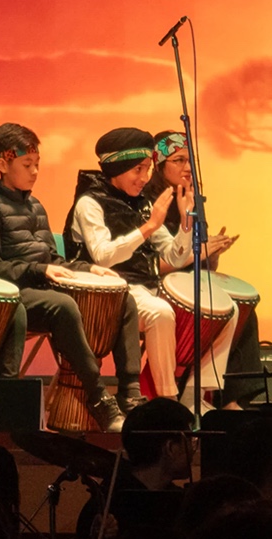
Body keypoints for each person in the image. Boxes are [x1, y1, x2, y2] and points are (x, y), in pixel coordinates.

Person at [0, 122, 142, 432]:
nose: (34, 171)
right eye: (26, 164)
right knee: (63, 306)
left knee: (123, 300)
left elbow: (53, 259)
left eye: (37, 164)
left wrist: (87, 269)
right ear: (2, 164)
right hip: (13, 294)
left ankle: (131, 394)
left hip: (42, 287)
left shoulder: (36, 206)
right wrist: (38, 270)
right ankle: (100, 398)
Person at [63, 127, 236, 408]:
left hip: (146, 288)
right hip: (107, 290)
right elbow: (104, 256)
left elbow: (174, 256)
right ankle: (167, 401)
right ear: (118, 168)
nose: (145, 178)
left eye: (147, 170)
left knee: (225, 308)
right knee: (160, 313)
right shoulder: (89, 203)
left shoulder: (142, 203)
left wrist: (184, 223)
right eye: (138, 170)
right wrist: (149, 227)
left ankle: (195, 394)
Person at [142, 130, 252, 407]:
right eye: (178, 160)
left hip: (188, 282)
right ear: (159, 165)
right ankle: (188, 396)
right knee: (216, 306)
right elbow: (157, 263)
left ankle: (227, 398)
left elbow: (201, 263)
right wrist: (198, 252)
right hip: (159, 283)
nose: (188, 168)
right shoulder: (150, 202)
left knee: (241, 307)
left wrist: (213, 253)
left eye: (190, 160)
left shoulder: (193, 200)